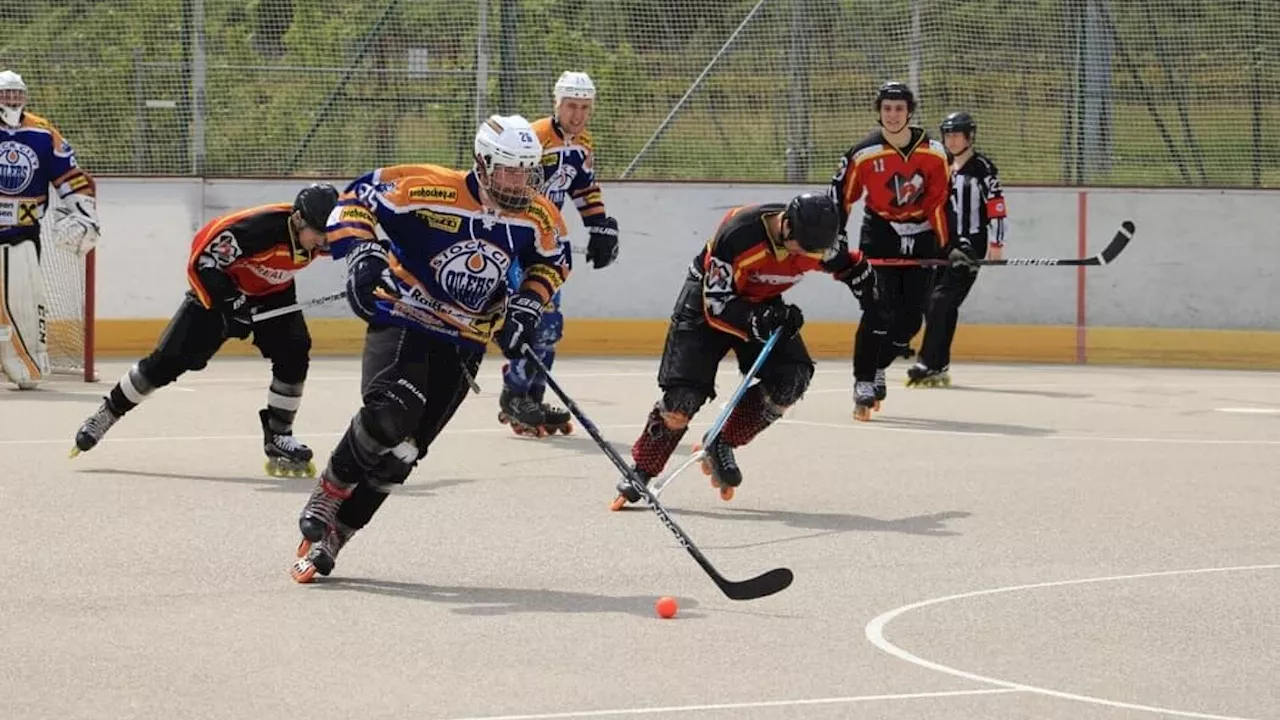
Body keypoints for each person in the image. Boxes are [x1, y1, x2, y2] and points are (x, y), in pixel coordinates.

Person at [290, 114, 571, 583]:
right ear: (482, 164)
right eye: (507, 169)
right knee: (388, 416)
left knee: (405, 451)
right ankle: (330, 489)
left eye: (526, 171)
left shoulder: (537, 214)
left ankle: (340, 532)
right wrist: (363, 254)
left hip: (466, 339)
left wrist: (526, 307)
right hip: (406, 315)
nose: (518, 181)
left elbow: (552, 262)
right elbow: (355, 200)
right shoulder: (427, 188)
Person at [609, 193, 877, 510]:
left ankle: (721, 442)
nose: (806, 256)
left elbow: (849, 264)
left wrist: (868, 287)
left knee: (792, 378)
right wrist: (759, 320)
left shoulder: (818, 243)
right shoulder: (739, 231)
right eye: (801, 247)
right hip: (707, 302)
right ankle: (641, 469)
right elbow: (717, 305)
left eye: (812, 251)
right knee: (683, 399)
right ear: (786, 226)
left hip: (763, 304)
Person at [70, 184, 339, 478]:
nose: (323, 243)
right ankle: (107, 413)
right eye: (318, 233)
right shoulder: (257, 229)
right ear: (298, 219)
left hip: (272, 294)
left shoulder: (324, 234)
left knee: (295, 350)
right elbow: (202, 261)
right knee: (166, 362)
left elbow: (363, 245)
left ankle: (279, 436)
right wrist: (230, 304)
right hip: (218, 289)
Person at [497, 70, 619, 437]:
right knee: (534, 320)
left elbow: (583, 188)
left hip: (547, 244)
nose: (578, 115)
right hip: (516, 242)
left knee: (550, 329)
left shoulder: (583, 143)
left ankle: (530, 396)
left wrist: (600, 226)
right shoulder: (534, 139)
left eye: (585, 107)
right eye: (571, 106)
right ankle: (514, 393)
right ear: (557, 103)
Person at [829, 81, 951, 421]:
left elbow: (940, 201)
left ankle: (880, 362)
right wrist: (836, 237)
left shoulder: (935, 153)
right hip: (880, 232)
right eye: (887, 109)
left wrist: (951, 245)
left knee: (910, 319)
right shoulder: (863, 153)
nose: (893, 115)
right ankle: (864, 380)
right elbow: (841, 197)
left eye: (899, 109)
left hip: (922, 235)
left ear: (910, 112)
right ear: (879, 112)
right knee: (877, 308)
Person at [0, 69, 100, 389]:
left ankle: (30, 355)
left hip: (25, 229)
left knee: (28, 297)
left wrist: (84, 211)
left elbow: (68, 173)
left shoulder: (42, 132)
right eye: (6, 94)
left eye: (17, 94)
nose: (12, 100)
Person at [907, 111, 1008, 387]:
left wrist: (997, 245)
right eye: (948, 135)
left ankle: (927, 361)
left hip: (970, 247)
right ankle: (939, 365)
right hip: (942, 245)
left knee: (941, 301)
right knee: (936, 305)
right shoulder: (940, 167)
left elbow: (997, 208)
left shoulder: (982, 169)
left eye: (957, 135)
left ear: (969, 137)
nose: (951, 141)